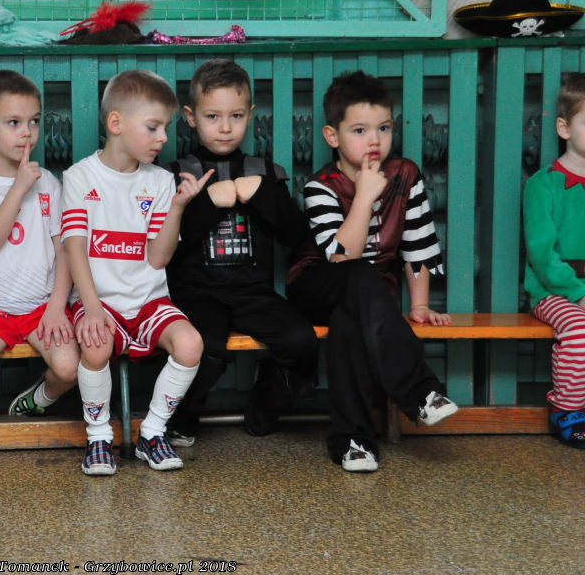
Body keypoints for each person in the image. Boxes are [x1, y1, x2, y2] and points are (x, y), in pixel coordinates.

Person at [286, 70, 458, 473]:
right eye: (360, 130)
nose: (375, 140)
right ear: (333, 136)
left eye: (383, 127)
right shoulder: (321, 186)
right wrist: (363, 197)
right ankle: (419, 390)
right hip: (317, 282)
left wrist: (419, 305)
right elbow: (341, 257)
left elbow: (417, 245)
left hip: (368, 296)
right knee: (358, 274)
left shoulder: (405, 174)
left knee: (349, 323)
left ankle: (352, 442)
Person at [165, 59, 318, 447]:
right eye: (212, 116)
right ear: (191, 117)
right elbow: (167, 245)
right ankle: (182, 419)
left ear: (250, 114)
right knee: (205, 346)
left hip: (253, 294)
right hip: (196, 293)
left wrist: (264, 194)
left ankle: (264, 407)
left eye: (236, 116)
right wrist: (204, 204)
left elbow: (297, 235)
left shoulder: (264, 171)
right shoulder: (177, 172)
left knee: (301, 340)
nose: (225, 127)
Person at [61, 69, 207, 476]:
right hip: (99, 301)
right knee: (95, 346)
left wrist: (177, 208)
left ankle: (153, 433)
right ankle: (98, 437)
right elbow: (74, 247)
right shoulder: (79, 177)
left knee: (191, 344)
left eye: (166, 128)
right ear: (116, 123)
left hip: (148, 301)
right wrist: (92, 308)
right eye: (153, 127)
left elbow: (158, 259)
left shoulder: (160, 182)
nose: (163, 138)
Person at [0, 70, 79, 420]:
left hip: (41, 307)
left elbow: (64, 249)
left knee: (69, 368)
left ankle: (39, 398)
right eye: (14, 122)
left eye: (34, 121)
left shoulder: (49, 183)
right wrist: (19, 187)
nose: (27, 132)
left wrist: (57, 307)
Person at [523, 73, 585, 448]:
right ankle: (568, 410)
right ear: (564, 128)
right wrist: (579, 294)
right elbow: (543, 254)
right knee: (579, 329)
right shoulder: (542, 185)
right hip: (553, 292)